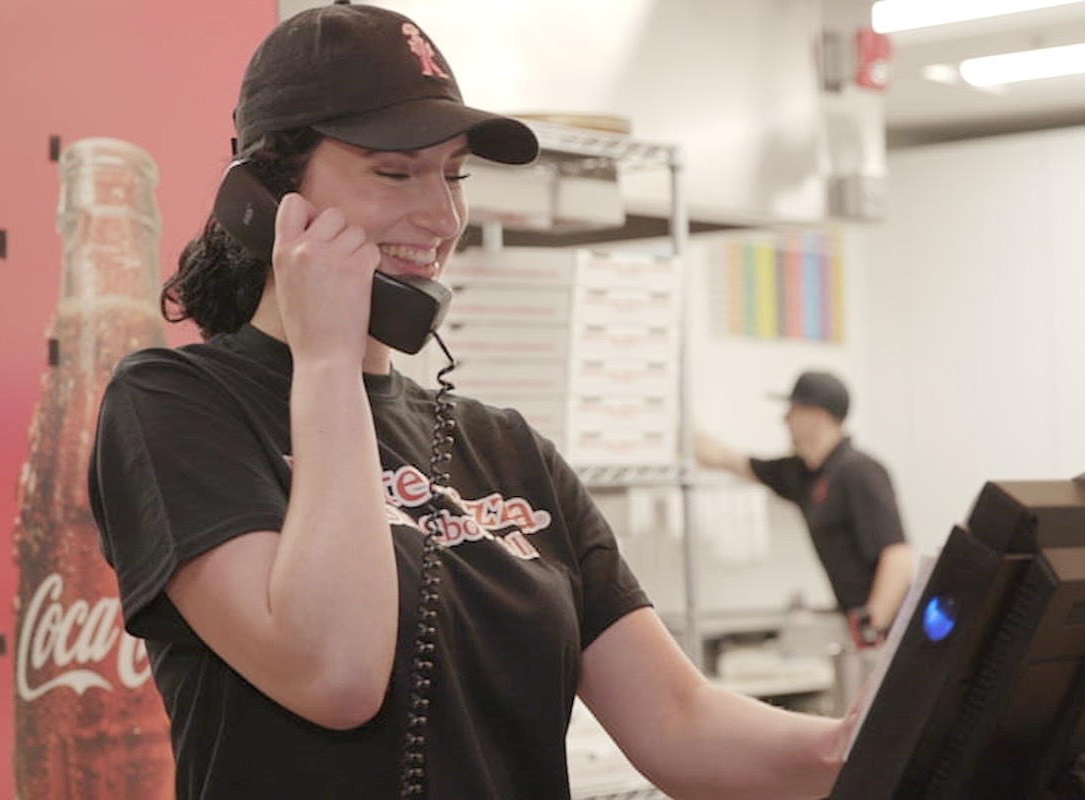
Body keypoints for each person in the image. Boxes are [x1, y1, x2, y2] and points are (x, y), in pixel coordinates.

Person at [88, 4, 858, 798]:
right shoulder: (174, 406)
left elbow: (679, 720)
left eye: (454, 174)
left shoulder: (507, 450)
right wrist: (325, 361)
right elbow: (335, 672)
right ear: (266, 194)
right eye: (396, 172)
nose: (442, 215)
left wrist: (864, 739)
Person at [694, 370, 917, 648]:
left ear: (817, 416)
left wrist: (871, 629)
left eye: (793, 410)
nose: (785, 419)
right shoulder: (803, 475)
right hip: (861, 629)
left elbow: (898, 557)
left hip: (892, 634)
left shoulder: (860, 472)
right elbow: (729, 459)